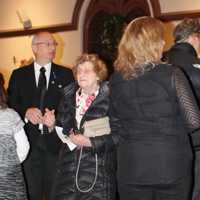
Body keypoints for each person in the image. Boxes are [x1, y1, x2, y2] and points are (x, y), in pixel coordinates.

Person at [109, 16, 200, 200]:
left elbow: (114, 124)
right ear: (153, 43)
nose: (164, 42)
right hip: (170, 164)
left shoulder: (116, 80)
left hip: (131, 166)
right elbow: (194, 121)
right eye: (160, 38)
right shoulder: (172, 74)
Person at [7, 31, 74, 200]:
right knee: (31, 194)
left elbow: (71, 109)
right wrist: (25, 112)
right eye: (48, 44)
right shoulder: (19, 75)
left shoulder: (66, 75)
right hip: (28, 147)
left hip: (56, 146)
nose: (53, 48)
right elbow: (10, 106)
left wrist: (55, 120)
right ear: (35, 48)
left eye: (54, 44)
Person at [44, 54, 117, 200]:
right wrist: (51, 126)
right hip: (66, 177)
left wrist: (90, 142)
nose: (81, 74)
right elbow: (56, 145)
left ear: (98, 75)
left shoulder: (112, 97)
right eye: (79, 71)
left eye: (87, 71)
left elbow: (120, 135)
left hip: (97, 178)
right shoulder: (67, 98)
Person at [162, 18, 200, 200]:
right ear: (193, 38)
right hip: (195, 145)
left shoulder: (158, 63)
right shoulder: (197, 67)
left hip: (161, 144)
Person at [0, 72, 30, 199]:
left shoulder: (11, 115)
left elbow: (24, 147)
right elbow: (24, 148)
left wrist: (10, 163)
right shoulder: (11, 114)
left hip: (11, 180)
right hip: (11, 175)